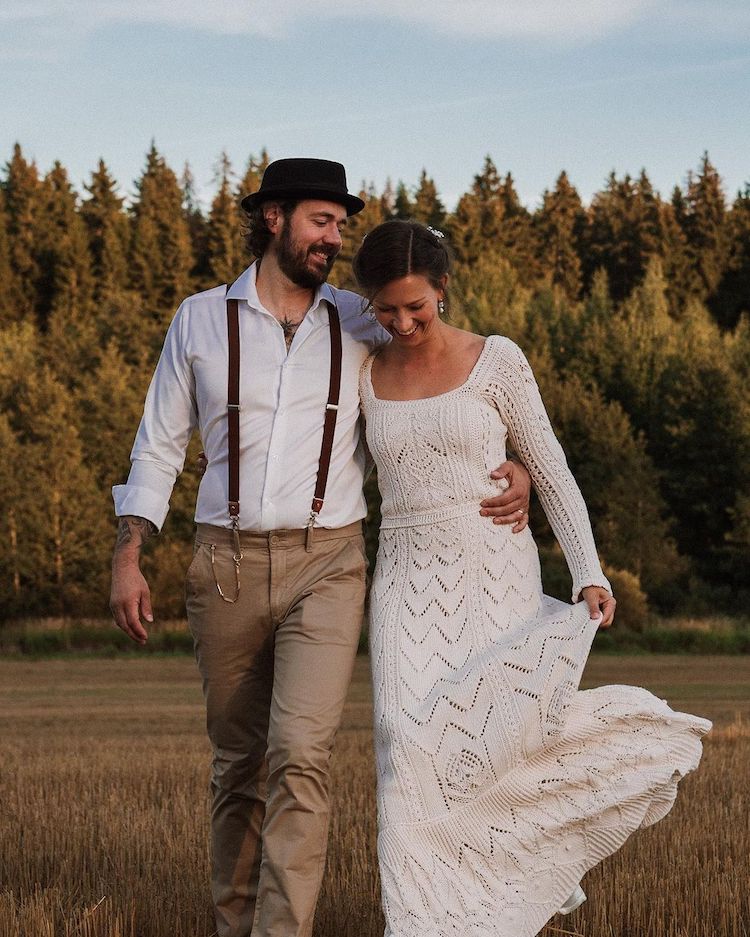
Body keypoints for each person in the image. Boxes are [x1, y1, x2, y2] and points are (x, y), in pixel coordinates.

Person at [108, 159, 532, 937]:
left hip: (329, 565)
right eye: (321, 221)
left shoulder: (363, 318)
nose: (335, 238)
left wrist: (517, 466)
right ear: (273, 218)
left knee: (301, 755)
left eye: (340, 224)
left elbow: (454, 377)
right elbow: (158, 447)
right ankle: (235, 923)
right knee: (239, 764)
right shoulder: (199, 320)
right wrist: (129, 554)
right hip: (224, 565)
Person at [352, 219, 712, 937]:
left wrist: (588, 571)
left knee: (496, 747)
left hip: (492, 571)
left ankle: (498, 908)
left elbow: (547, 466)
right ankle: (423, 921)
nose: (402, 322)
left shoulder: (497, 360)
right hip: (403, 577)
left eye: (415, 306)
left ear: (444, 289)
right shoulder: (361, 367)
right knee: (406, 745)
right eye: (386, 308)